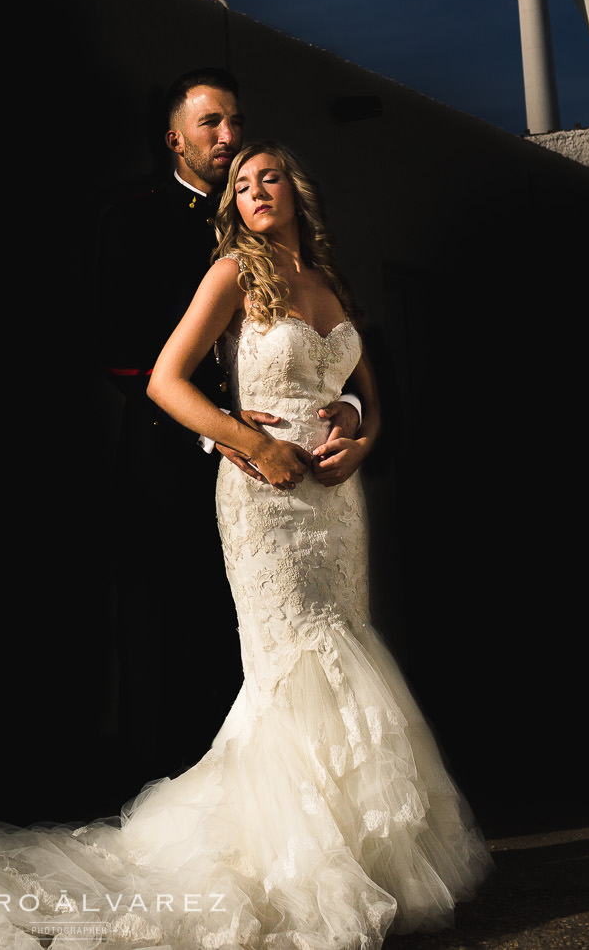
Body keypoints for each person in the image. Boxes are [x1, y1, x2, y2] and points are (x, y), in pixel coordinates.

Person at [0, 141, 491, 950]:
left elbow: (366, 399)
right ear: (233, 204)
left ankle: (361, 850)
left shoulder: (331, 285)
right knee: (292, 663)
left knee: (343, 649)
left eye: (270, 176)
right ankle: (298, 861)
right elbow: (167, 377)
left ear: (297, 191)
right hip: (266, 504)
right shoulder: (234, 272)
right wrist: (244, 438)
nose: (256, 188)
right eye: (242, 182)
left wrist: (360, 435)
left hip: (336, 508)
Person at [97, 70, 362, 777]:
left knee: (248, 652)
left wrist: (353, 415)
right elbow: (130, 358)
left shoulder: (277, 238)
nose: (227, 136)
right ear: (173, 137)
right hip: (172, 467)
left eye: (236, 122)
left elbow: (346, 363)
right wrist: (227, 428)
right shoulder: (134, 218)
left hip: (294, 479)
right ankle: (166, 817)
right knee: (164, 648)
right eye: (210, 123)